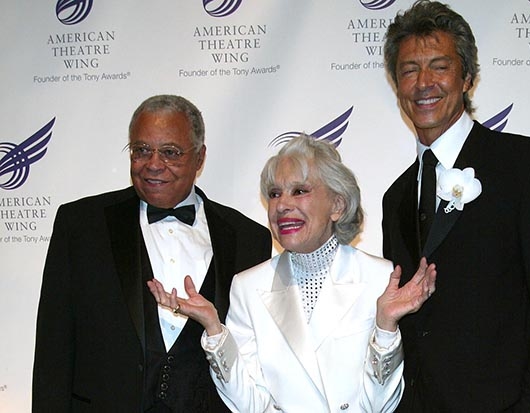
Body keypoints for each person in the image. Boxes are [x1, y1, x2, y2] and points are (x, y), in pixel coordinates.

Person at [381, 1, 530, 412]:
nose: (424, 83)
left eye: (439, 66)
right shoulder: (396, 197)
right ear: (397, 85)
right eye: (408, 70)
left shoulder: (527, 167)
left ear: (468, 77)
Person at [148, 135, 437, 412]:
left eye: (299, 191)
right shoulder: (248, 287)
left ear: (337, 205)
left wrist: (386, 328)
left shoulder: (379, 278)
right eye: (274, 194)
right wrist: (214, 330)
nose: (282, 205)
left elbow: (381, 405)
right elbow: (247, 404)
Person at [32, 94, 272, 412]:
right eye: (141, 150)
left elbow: (256, 361)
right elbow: (54, 351)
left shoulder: (249, 238)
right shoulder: (81, 225)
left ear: (200, 158)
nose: (154, 164)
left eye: (170, 152)